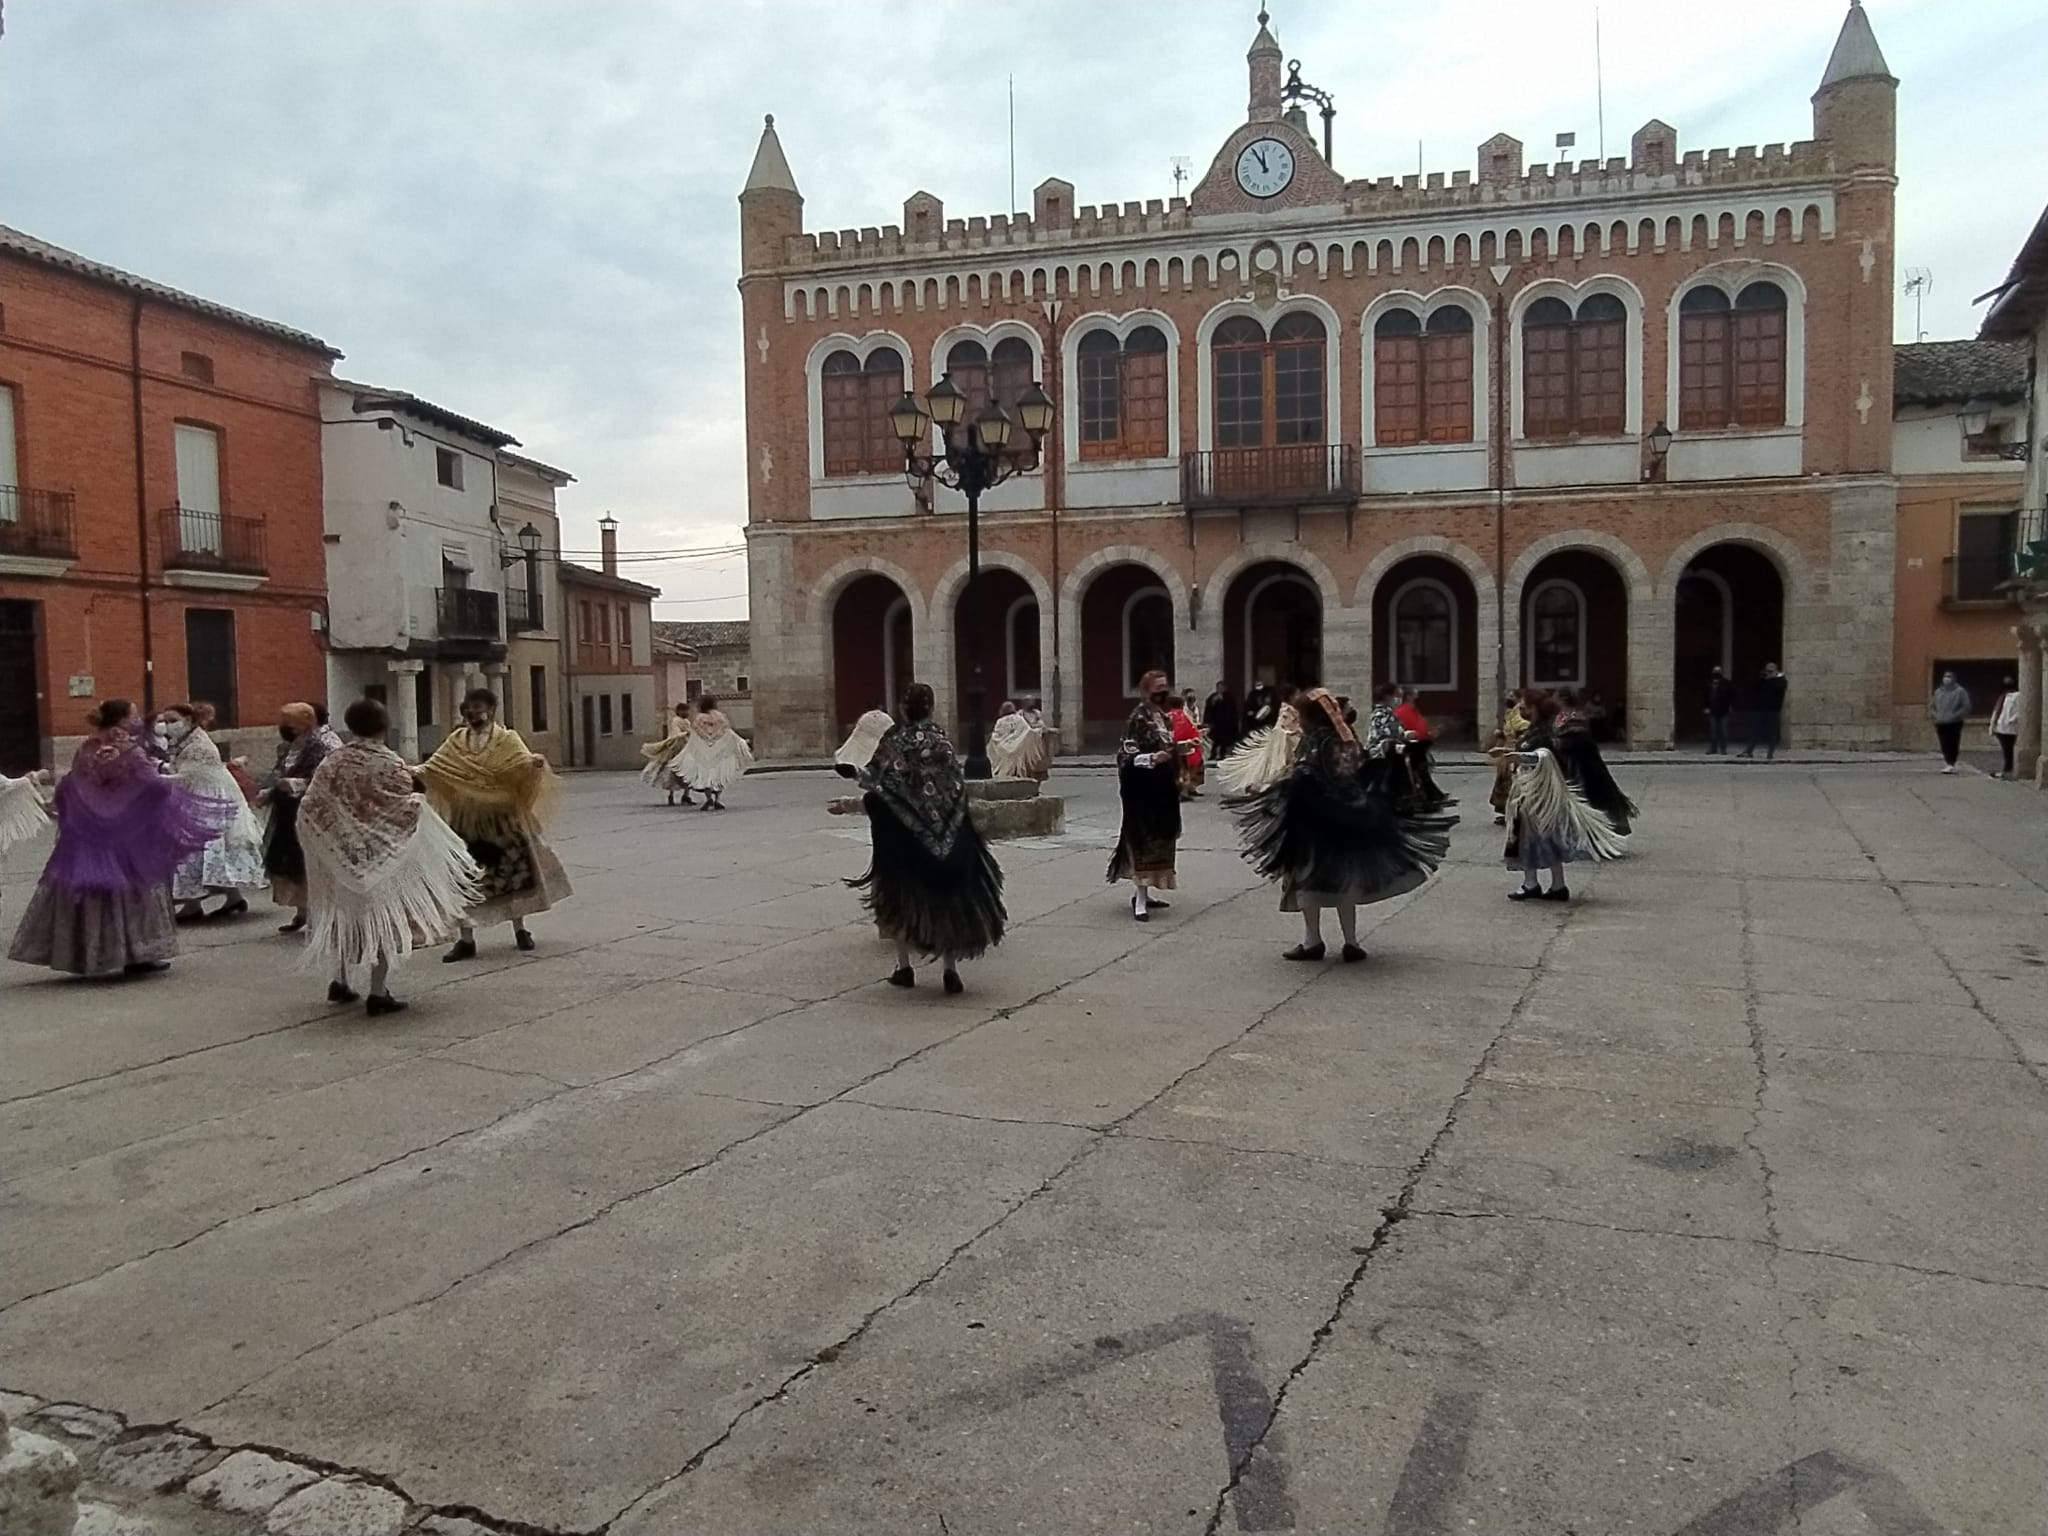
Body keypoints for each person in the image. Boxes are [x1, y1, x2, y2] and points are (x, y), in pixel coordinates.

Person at [1233, 687, 1454, 963]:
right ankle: (1351, 941)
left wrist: (1268, 787)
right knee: (1347, 878)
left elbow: (1303, 776)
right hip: (1350, 817)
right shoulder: (1345, 740)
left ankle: (1312, 940)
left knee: (1308, 880)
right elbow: (1362, 769)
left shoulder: (1314, 742)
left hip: (1316, 821)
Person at [8, 699, 227, 977]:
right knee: (134, 892)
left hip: (88, 834)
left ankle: (88, 954)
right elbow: (154, 786)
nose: (138, 719)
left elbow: (70, 786)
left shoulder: (87, 747)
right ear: (122, 720)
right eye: (133, 714)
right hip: (127, 835)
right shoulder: (129, 750)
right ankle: (137, 954)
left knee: (92, 894)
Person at [299, 698, 482, 1016]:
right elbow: (403, 806)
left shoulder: (333, 760)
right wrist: (418, 802)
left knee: (346, 915)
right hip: (381, 856)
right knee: (382, 921)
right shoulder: (389, 763)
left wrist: (330, 838)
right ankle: (377, 991)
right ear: (384, 726)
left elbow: (311, 805)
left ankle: (339, 981)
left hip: (343, 854)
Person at [829, 682, 1005, 993]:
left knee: (899, 895)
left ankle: (904, 967)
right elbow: (955, 787)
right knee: (947, 896)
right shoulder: (942, 742)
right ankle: (950, 970)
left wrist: (852, 792)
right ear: (931, 708)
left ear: (903, 708)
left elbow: (880, 784)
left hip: (905, 838)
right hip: (950, 836)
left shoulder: (895, 742)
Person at [419, 687, 572, 960]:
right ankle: (466, 939)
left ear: (491, 710)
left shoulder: (507, 739)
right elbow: (435, 767)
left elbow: (521, 764)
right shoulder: (455, 741)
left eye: (479, 707)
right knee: (463, 879)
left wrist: (533, 764)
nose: (474, 712)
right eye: (470, 707)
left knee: (515, 876)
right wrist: (413, 771)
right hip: (466, 821)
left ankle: (520, 929)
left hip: (503, 820)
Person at [1497, 696, 1627, 903]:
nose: (1522, 709)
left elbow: (1542, 757)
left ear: (1536, 710)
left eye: (1526, 707)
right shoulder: (1540, 732)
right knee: (1542, 840)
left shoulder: (1544, 736)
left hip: (1536, 796)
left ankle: (1535, 885)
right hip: (1531, 793)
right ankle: (1553, 884)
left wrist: (1517, 757)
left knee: (1531, 840)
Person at [161, 702, 266, 922]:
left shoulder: (199, 745)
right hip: (202, 796)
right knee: (210, 850)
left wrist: (152, 777)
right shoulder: (186, 740)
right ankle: (232, 898)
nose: (168, 726)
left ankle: (193, 904)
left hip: (209, 799)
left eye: (172, 721)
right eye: (165, 721)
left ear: (188, 721)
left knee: (197, 848)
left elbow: (187, 776)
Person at [1108, 669, 1186, 921]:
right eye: (1158, 687)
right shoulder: (1138, 718)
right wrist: (1151, 758)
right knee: (1143, 840)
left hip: (1163, 787)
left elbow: (1169, 744)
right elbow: (1125, 754)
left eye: (1166, 686)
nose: (1163, 691)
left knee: (1162, 840)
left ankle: (1148, 893)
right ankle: (1139, 899)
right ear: (1146, 690)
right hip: (1142, 790)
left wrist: (1179, 751)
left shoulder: (1165, 717)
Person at [261, 702, 337, 934]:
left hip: (310, 808)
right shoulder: (288, 747)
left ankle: (317, 914)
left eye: (291, 723)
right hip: (287, 808)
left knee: (307, 859)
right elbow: (279, 771)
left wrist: (297, 784)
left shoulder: (321, 745)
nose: (286, 727)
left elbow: (326, 777)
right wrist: (271, 790)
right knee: (288, 859)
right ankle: (302, 911)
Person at [1551, 695, 1637, 835]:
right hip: (1586, 758)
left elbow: (1569, 739)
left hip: (1578, 761)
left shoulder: (1567, 717)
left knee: (1584, 795)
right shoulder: (1578, 714)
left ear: (1562, 700)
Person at [1216, 684, 1303, 796]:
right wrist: (1298, 731)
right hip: (1284, 741)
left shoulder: (1288, 708)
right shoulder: (1287, 709)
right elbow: (1286, 726)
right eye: (1297, 694)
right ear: (1291, 696)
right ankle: (1263, 786)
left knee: (1278, 763)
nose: (1299, 696)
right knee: (1279, 764)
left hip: (1287, 739)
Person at [674, 695, 754, 811]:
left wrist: (693, 747)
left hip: (704, 751)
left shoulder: (699, 718)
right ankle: (717, 800)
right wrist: (739, 742)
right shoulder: (721, 717)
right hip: (719, 751)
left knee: (706, 776)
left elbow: (696, 733)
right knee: (718, 776)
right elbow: (727, 732)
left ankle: (708, 799)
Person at [639, 702, 696, 806]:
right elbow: (675, 734)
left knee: (689, 772)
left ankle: (686, 795)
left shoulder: (686, 721)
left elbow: (690, 734)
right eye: (684, 710)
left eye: (687, 710)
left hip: (686, 750)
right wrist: (684, 734)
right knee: (672, 773)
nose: (687, 712)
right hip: (676, 749)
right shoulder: (676, 721)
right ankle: (671, 795)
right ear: (678, 711)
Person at [1488, 691, 1529, 825]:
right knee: (1502, 782)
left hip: (1514, 750)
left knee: (1510, 785)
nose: (1508, 698)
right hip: (1506, 751)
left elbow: (1521, 730)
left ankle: (1513, 813)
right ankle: (1505, 812)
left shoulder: (1520, 715)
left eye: (1512, 696)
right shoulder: (1510, 713)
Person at [1738, 664, 1787, 761]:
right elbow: (1754, 687)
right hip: (1760, 709)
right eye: (1767, 670)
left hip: (1773, 710)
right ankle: (1749, 751)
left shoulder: (1781, 680)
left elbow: (1778, 689)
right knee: (1755, 731)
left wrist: (1771, 678)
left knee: (1772, 732)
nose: (1768, 672)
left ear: (1776, 670)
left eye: (1771, 671)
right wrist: (1762, 678)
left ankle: (1770, 754)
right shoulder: (1764, 680)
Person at [1929, 670, 1971, 774]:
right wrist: (1935, 715)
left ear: (1953, 679)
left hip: (1954, 722)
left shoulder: (1960, 691)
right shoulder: (1938, 691)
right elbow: (1932, 705)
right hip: (1940, 721)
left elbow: (1966, 706)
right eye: (1945, 677)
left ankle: (1951, 763)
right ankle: (1947, 762)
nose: (1946, 679)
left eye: (1949, 677)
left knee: (1952, 742)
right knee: (1943, 743)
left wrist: (1955, 715)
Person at [1171, 690, 1206, 800]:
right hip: (1187, 746)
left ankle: (1189, 789)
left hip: (1181, 745)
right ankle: (1184, 791)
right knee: (1186, 769)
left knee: (1184, 769)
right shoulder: (1181, 715)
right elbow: (1187, 729)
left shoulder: (1170, 715)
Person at [1990, 676, 2022, 779]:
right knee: (2006, 750)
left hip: (2010, 728)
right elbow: (1997, 711)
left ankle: (2008, 771)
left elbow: (2020, 711)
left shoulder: (2018, 696)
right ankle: (2006, 770)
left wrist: (2011, 720)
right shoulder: (2003, 696)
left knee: (2009, 750)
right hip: (2001, 727)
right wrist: (1993, 725)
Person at [1204, 681, 1241, 765]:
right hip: (1216, 723)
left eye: (1222, 687)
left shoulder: (1229, 697)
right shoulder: (1213, 697)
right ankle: (1213, 754)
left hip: (1226, 723)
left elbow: (1232, 710)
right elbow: (1209, 708)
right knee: (1215, 740)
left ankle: (1222, 754)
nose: (1220, 689)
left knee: (1224, 740)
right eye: (1219, 687)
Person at [1704, 667, 1733, 755]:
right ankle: (1713, 749)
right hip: (1713, 710)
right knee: (1713, 732)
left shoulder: (1726, 683)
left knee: (1724, 731)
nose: (1716, 673)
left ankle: (1723, 749)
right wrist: (1706, 707)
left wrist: (1730, 706)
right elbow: (1706, 696)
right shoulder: (1709, 683)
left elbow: (1731, 695)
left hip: (1723, 710)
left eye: (1718, 671)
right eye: (1715, 671)